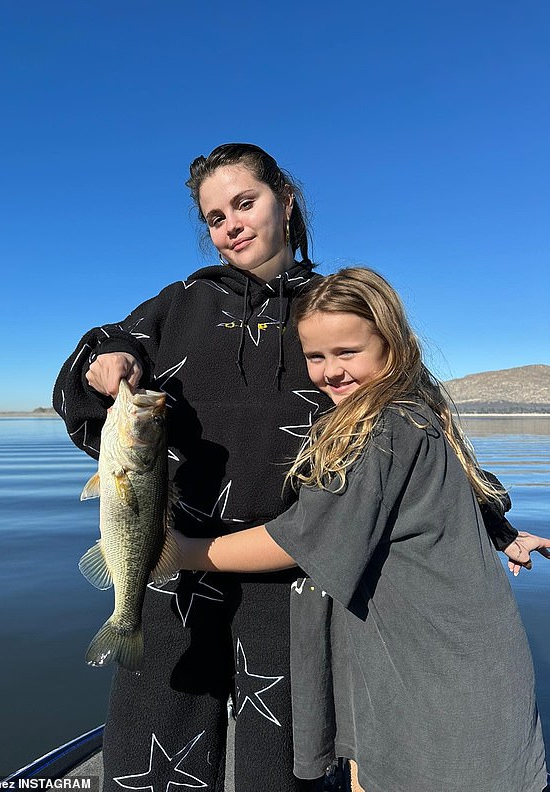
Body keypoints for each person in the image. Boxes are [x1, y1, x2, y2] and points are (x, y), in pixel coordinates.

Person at [53, 144, 531, 792]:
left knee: (276, 762)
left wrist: (492, 521)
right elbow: (110, 345)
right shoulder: (180, 304)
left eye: (244, 203)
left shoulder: (328, 309)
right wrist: (102, 365)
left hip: (292, 572)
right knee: (151, 748)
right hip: (172, 563)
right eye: (216, 216)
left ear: (286, 199)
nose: (231, 225)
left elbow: (415, 422)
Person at [172, 267, 550, 792]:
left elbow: (297, 537)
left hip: (437, 680)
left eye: (348, 352)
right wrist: (504, 531)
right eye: (315, 356)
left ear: (391, 347)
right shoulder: (418, 414)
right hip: (439, 661)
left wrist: (178, 553)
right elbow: (452, 494)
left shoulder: (386, 429)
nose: (330, 372)